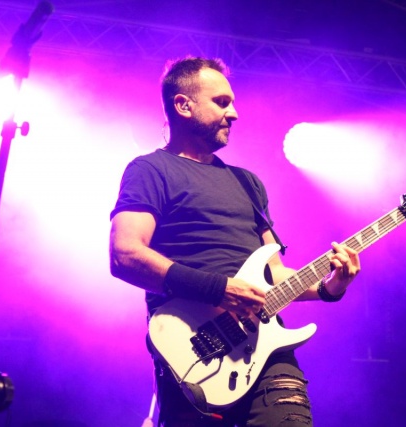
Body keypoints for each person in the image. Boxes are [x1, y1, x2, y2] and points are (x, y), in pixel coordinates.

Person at [109, 56, 361, 427]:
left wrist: (328, 288)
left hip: (266, 352)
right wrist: (221, 290)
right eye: (222, 102)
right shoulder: (150, 170)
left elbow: (274, 274)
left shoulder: (248, 183)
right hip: (193, 351)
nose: (235, 113)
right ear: (183, 105)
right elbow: (125, 255)